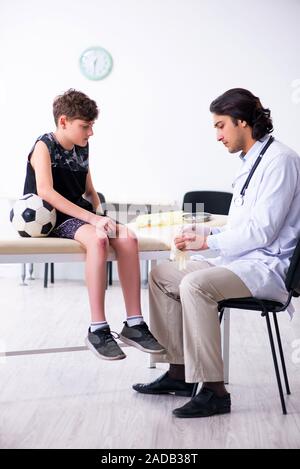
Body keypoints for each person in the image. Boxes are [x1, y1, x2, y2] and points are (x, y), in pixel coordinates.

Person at [132, 88, 300, 417]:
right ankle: (179, 373)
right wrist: (206, 232)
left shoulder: (281, 162)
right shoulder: (252, 161)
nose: (217, 135)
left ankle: (213, 390)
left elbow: (262, 231)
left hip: (267, 269)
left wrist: (208, 244)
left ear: (241, 122)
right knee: (162, 274)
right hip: (242, 262)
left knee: (196, 285)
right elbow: (242, 226)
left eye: (220, 126)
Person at [23, 89, 165, 361]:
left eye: (91, 126)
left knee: (128, 238)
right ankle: (97, 328)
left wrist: (103, 216)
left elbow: (89, 191)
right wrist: (93, 220)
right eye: (85, 126)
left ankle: (134, 323)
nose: (90, 133)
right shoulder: (43, 146)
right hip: (53, 217)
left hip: (81, 214)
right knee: (97, 240)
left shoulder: (82, 147)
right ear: (63, 121)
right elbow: (46, 192)